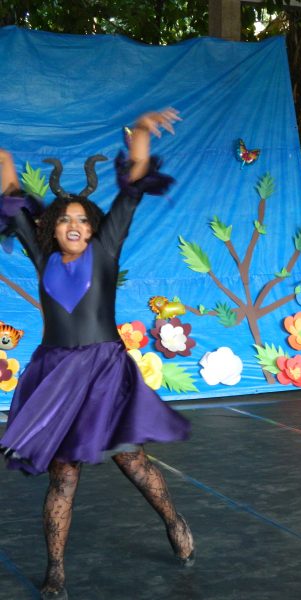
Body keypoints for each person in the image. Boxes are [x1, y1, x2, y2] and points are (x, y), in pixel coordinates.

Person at [0, 109, 195, 600]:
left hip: (105, 373)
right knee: (63, 476)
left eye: (82, 220)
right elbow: (9, 186)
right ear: (51, 228)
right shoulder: (42, 255)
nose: (73, 224)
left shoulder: (105, 251)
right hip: (56, 375)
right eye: (64, 219)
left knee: (134, 463)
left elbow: (132, 186)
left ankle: (173, 520)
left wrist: (143, 133)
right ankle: (56, 571)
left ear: (92, 229)